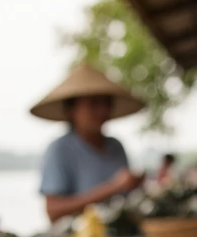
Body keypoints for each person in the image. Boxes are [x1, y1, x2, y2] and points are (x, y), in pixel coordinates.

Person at [32, 63, 146, 222]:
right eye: (93, 104)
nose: (102, 111)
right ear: (71, 110)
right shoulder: (60, 150)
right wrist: (114, 187)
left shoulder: (116, 146)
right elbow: (53, 211)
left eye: (106, 103)